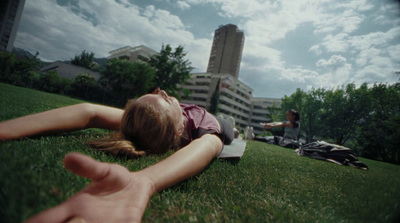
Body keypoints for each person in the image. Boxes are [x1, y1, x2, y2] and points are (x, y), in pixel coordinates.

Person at [0, 89, 234, 223]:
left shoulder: (150, 120)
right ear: (178, 129)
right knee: (228, 128)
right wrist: (145, 181)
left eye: (158, 95)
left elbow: (90, 113)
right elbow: (208, 146)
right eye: (161, 98)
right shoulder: (206, 132)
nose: (160, 91)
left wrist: (5, 129)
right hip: (221, 124)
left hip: (205, 117)